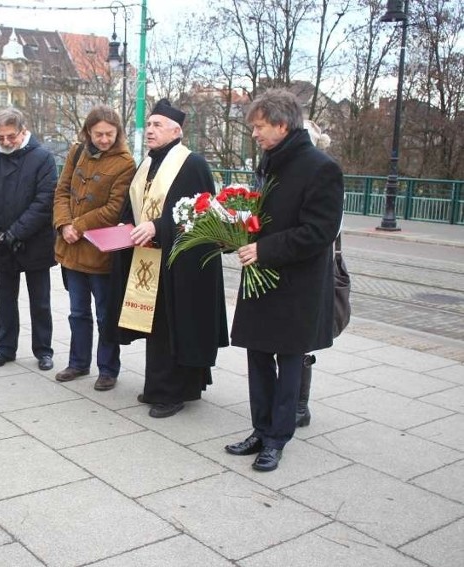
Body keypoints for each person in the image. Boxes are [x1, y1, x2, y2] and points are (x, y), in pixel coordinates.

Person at [225, 89, 344, 472]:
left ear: (281, 124)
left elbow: (319, 232)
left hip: (295, 285)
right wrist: (235, 230)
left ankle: (278, 437)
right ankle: (260, 429)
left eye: (259, 127)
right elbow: (262, 216)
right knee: (257, 355)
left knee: (288, 361)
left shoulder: (320, 167)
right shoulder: (269, 162)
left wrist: (265, 249)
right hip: (261, 278)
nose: (254, 134)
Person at [108, 99, 228, 418]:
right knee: (157, 325)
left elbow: (200, 217)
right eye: (148, 124)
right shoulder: (148, 164)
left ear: (177, 130)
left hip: (182, 265)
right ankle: (158, 387)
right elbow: (135, 202)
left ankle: (175, 392)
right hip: (150, 259)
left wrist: (157, 227)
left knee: (177, 326)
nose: (150, 130)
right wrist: (126, 223)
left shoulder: (193, 164)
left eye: (157, 125)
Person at [53, 105, 135, 391]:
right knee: (77, 312)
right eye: (98, 134)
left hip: (100, 252)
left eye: (109, 134)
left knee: (104, 314)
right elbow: (62, 190)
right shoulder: (76, 152)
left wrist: (79, 225)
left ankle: (108, 368)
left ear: (118, 133)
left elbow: (115, 208)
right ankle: (78, 363)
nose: (103, 139)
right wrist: (64, 224)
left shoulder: (125, 162)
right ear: (88, 131)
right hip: (71, 249)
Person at [0, 107, 58, 371]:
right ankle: (5, 348)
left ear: (23, 131)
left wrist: (16, 232)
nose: (6, 142)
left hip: (35, 240)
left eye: (11, 136)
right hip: (1, 241)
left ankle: (43, 350)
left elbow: (45, 202)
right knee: (5, 300)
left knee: (40, 301)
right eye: (0, 137)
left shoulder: (42, 158)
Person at [295, 119, 334, 428]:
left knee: (301, 342)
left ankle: (299, 403)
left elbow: (326, 229)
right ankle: (289, 403)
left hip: (311, 267)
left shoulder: (322, 171)